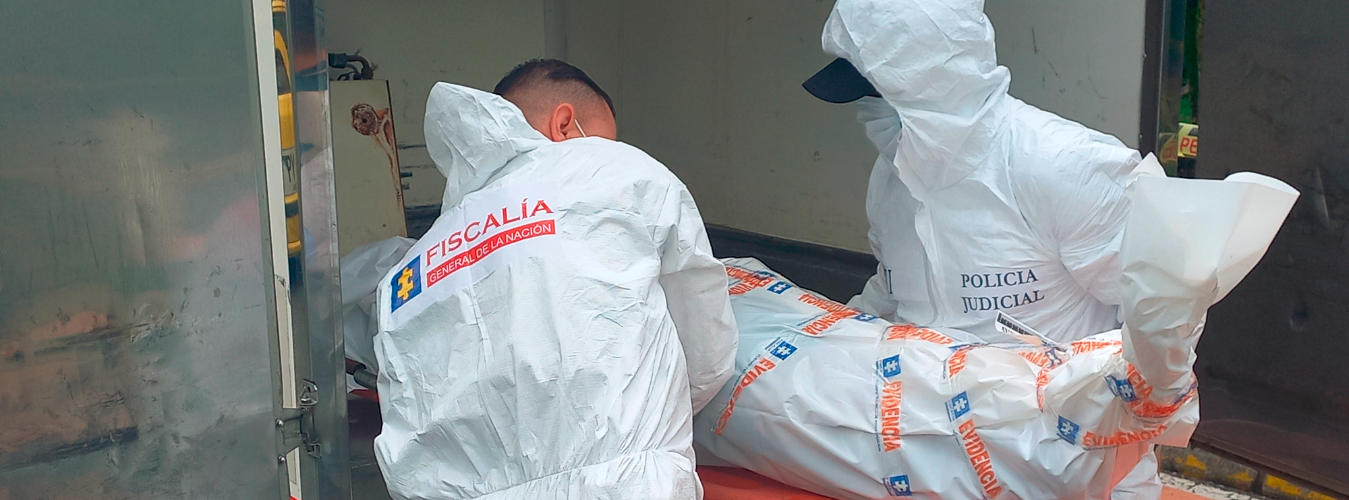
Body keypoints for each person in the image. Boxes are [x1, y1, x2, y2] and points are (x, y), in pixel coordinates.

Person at [800, 0, 1165, 497]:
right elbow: (888, 294)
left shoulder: (1064, 166)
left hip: (1072, 470)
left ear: (930, 84)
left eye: (876, 92)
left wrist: (1102, 417)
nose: (868, 113)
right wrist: (822, 345)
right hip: (933, 464)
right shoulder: (892, 179)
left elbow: (1160, 317)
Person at [371, 59, 738, 500]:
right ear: (564, 123)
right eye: (603, 136)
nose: (606, 147)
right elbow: (703, 339)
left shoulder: (412, 268)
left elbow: (406, 410)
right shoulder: (616, 169)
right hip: (621, 483)